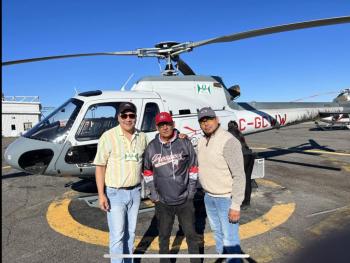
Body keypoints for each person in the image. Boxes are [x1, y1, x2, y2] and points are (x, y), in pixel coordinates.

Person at [93, 102, 148, 263]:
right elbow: (100, 166)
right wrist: (101, 194)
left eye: (131, 115)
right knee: (117, 235)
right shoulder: (108, 136)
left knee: (130, 233)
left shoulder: (142, 137)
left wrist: (178, 135)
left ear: (136, 117)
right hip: (115, 193)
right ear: (118, 117)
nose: (128, 119)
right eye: (124, 115)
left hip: (136, 192)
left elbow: (154, 152)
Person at [142, 112, 201, 263]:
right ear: (157, 127)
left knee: (191, 235)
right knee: (163, 236)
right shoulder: (151, 147)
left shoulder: (184, 142)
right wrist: (153, 194)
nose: (165, 127)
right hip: (163, 202)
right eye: (161, 125)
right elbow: (147, 171)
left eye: (168, 124)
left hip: (184, 201)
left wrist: (191, 191)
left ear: (173, 124)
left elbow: (193, 167)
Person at [197, 107, 245, 263]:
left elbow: (239, 175)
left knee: (230, 240)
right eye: (202, 121)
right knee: (218, 234)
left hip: (226, 199)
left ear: (216, 119)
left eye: (209, 119)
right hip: (209, 197)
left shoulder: (228, 141)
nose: (206, 124)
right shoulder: (202, 140)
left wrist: (236, 205)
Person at [227, 120, 255, 209]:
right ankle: (247, 202)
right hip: (249, 155)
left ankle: (236, 201)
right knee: (247, 179)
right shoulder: (239, 132)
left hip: (242, 157)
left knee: (238, 179)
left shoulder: (229, 133)